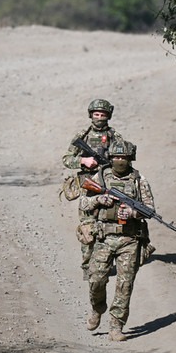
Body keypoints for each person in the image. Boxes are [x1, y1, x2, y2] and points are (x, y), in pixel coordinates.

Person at [79, 140, 154, 341]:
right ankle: (97, 308)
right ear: (111, 158)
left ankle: (116, 326)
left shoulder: (139, 180)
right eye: (116, 157)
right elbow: (83, 202)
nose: (120, 161)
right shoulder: (100, 177)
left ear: (130, 159)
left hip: (130, 239)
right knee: (96, 280)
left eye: (124, 158)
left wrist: (132, 212)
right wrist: (98, 199)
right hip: (104, 238)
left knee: (124, 285)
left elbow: (149, 209)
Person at [62, 99, 124, 281]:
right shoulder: (83, 135)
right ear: (91, 115)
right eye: (96, 114)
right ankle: (88, 267)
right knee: (88, 228)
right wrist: (83, 161)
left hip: (108, 188)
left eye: (103, 115)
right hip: (88, 188)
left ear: (108, 116)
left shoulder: (115, 136)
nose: (99, 118)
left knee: (109, 227)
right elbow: (67, 159)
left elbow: (124, 160)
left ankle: (104, 265)